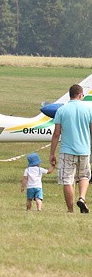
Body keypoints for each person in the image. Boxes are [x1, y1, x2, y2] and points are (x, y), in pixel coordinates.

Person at [49, 83, 92, 213]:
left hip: (67, 150)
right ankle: (82, 198)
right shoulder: (88, 110)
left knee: (67, 179)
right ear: (80, 95)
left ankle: (70, 209)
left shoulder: (62, 110)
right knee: (84, 175)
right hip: (84, 149)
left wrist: (52, 153)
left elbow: (56, 133)